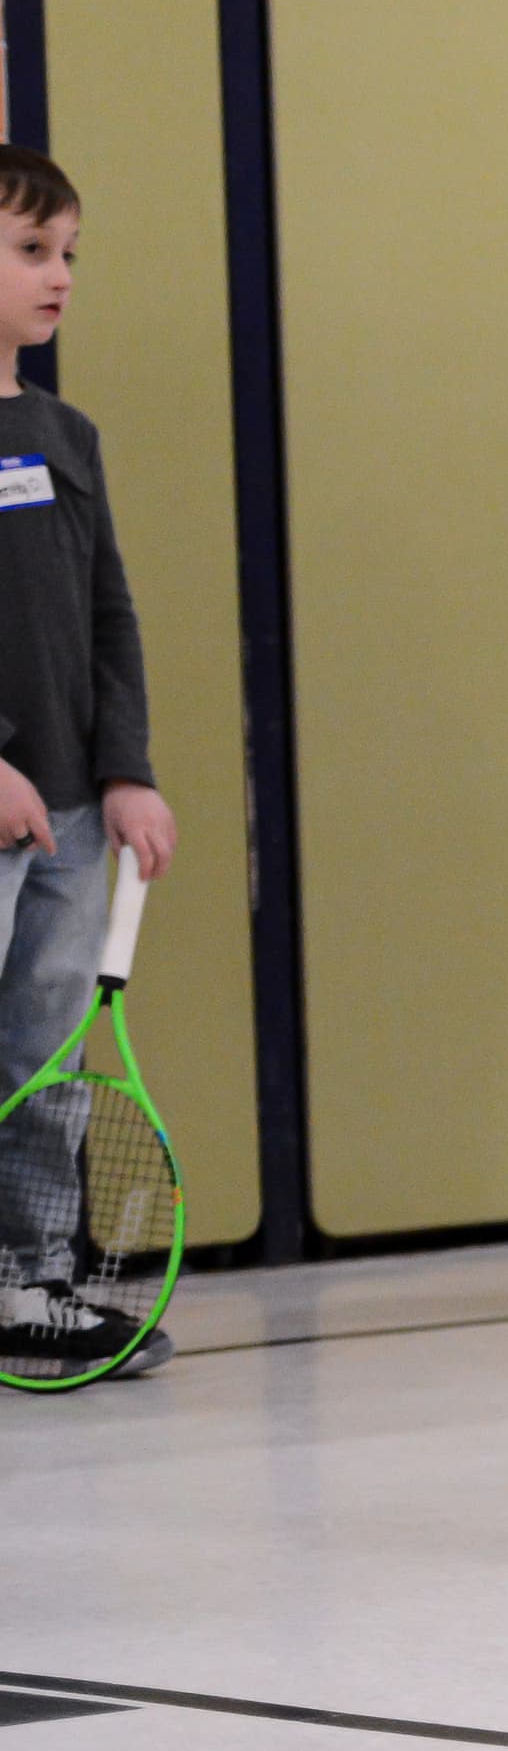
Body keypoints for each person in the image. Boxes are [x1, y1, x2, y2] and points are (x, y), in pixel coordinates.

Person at [0, 143, 178, 1376]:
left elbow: (109, 611)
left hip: (66, 814)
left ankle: (34, 1280)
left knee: (47, 1058)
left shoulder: (67, 433)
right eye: (29, 251)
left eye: (68, 253)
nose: (59, 275)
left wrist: (126, 769)